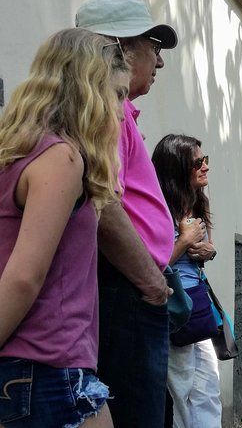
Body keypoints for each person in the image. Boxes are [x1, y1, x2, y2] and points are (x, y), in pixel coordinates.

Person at [0, 28, 128, 428]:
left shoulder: (20, 153)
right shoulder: (61, 159)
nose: (123, 111)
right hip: (45, 369)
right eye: (118, 94)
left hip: (39, 369)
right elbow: (24, 277)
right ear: (89, 91)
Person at [75, 0, 179, 427]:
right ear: (119, 49)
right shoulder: (108, 111)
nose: (159, 61)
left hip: (128, 289)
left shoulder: (117, 112)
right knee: (140, 414)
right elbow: (104, 202)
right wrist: (152, 282)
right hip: (127, 290)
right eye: (153, 46)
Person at [152, 134, 221, 428]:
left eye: (205, 160)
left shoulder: (195, 202)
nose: (205, 166)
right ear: (178, 167)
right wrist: (184, 241)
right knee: (182, 393)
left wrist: (208, 250)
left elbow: (206, 246)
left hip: (197, 307)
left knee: (208, 388)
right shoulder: (158, 209)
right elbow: (150, 265)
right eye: (198, 162)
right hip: (175, 309)